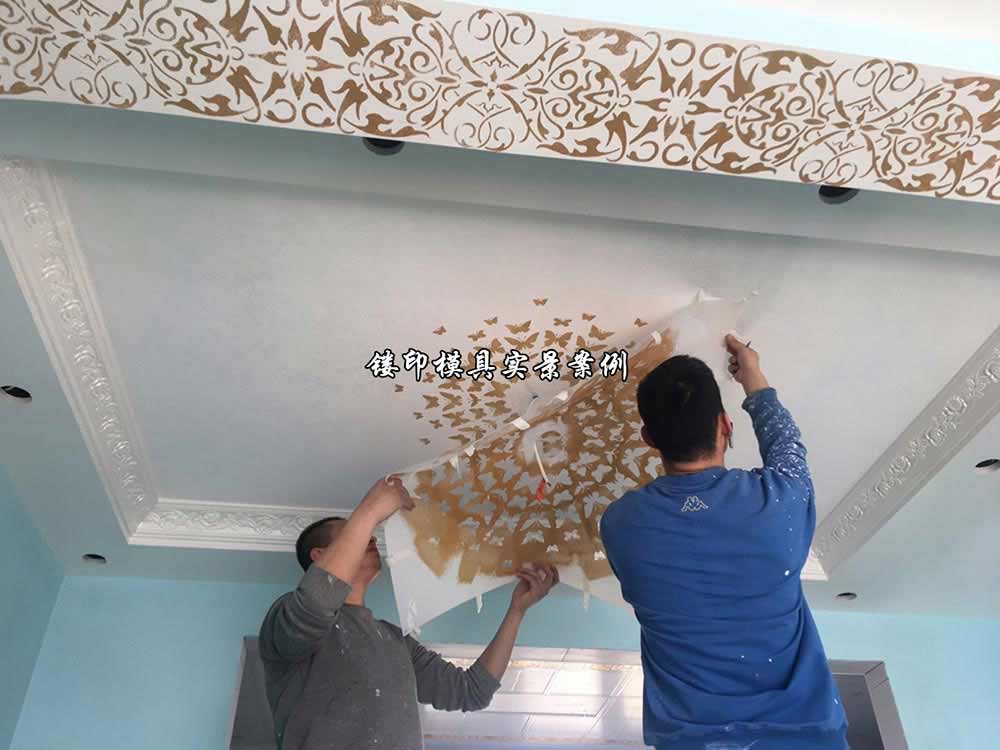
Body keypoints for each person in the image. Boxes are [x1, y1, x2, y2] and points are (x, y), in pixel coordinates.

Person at [600, 335, 848, 750]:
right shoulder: (778, 500)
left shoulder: (621, 524)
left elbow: (787, 449)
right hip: (803, 736)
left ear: (649, 438)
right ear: (725, 425)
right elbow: (787, 446)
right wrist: (753, 378)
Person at [258, 475, 558, 750]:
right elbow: (314, 603)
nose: (372, 538)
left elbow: (471, 691)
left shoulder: (394, 641)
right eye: (355, 534)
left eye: (368, 534)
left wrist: (517, 610)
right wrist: (369, 511)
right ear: (319, 556)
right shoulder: (285, 617)